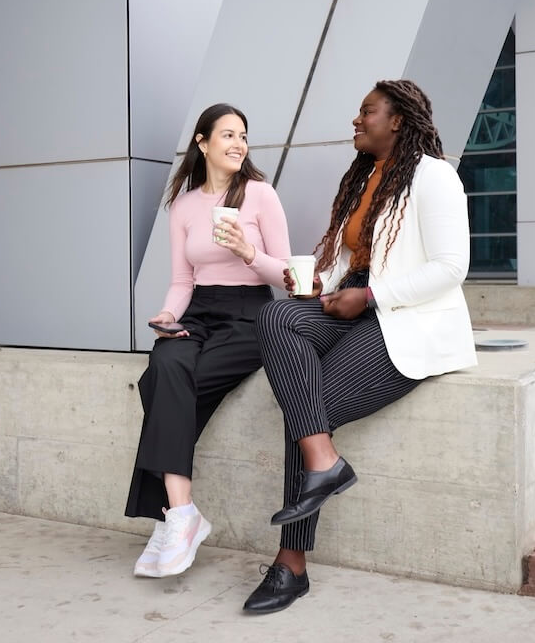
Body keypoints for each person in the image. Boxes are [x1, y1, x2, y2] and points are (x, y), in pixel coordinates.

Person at [242, 79, 477, 614]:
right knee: (278, 316)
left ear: (397, 121)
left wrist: (370, 295)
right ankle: (324, 460)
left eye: (366, 112)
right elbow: (358, 258)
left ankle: (290, 564)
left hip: (404, 320)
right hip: (356, 303)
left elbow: (450, 268)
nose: (356, 120)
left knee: (307, 405)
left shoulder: (434, 176)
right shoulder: (367, 178)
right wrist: (327, 281)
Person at [125, 103, 291, 578]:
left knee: (163, 384)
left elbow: (287, 276)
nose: (239, 144)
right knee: (166, 363)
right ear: (202, 142)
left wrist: (248, 251)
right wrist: (167, 315)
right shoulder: (183, 204)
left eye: (243, 136)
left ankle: (169, 517)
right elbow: (182, 280)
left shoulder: (260, 195)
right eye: (228, 135)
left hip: (252, 314)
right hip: (197, 311)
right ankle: (182, 513)